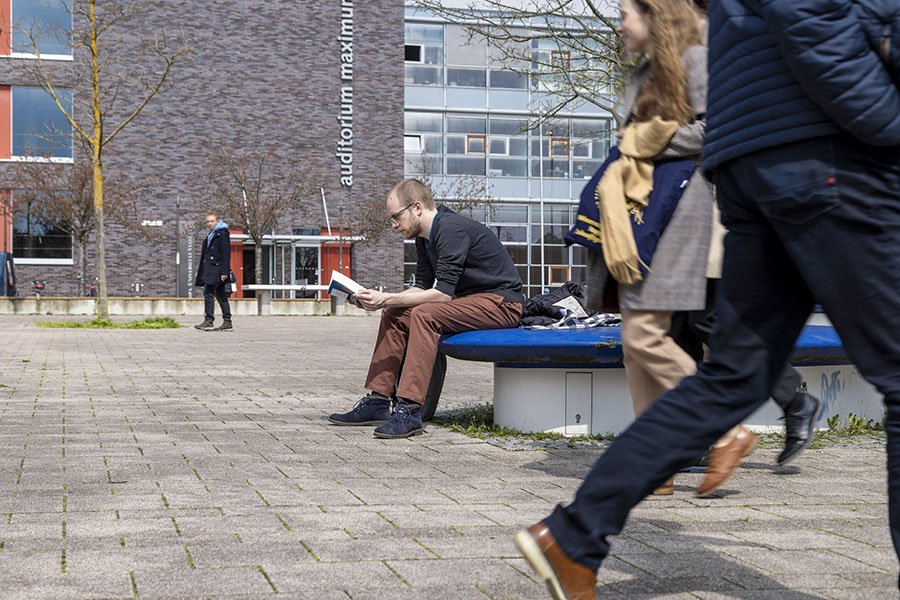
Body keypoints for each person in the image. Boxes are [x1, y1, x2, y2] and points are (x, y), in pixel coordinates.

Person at [515, 0, 900, 597]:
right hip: (826, 150)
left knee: (732, 377)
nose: (621, 22)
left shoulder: (688, 59)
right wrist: (886, 119)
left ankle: (574, 534)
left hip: (757, 161)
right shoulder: (663, 68)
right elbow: (811, 16)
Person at [328, 179, 523, 439]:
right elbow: (421, 288)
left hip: (501, 304)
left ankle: (410, 410)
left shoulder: (451, 229)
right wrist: (376, 299)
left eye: (396, 217)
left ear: (417, 207)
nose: (394, 225)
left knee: (424, 314)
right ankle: (377, 401)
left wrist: (386, 297)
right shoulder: (424, 239)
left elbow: (441, 295)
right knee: (395, 312)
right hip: (468, 303)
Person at [194, 212, 233, 332]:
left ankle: (209, 320)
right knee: (221, 295)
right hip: (211, 269)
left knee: (208, 292)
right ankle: (227, 321)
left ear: (217, 221)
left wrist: (225, 272)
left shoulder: (222, 233)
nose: (209, 224)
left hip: (217, 270)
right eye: (208, 221)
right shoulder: (211, 234)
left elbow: (226, 254)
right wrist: (201, 271)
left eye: (212, 221)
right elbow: (206, 255)